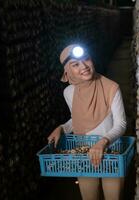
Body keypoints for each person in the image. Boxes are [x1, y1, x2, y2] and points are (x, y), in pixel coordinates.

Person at [47, 44, 127, 200]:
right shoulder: (69, 92)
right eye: (75, 65)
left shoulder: (111, 87)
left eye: (86, 59)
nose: (83, 66)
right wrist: (62, 128)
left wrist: (103, 142)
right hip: (83, 154)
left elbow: (121, 124)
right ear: (67, 71)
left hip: (110, 153)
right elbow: (77, 118)